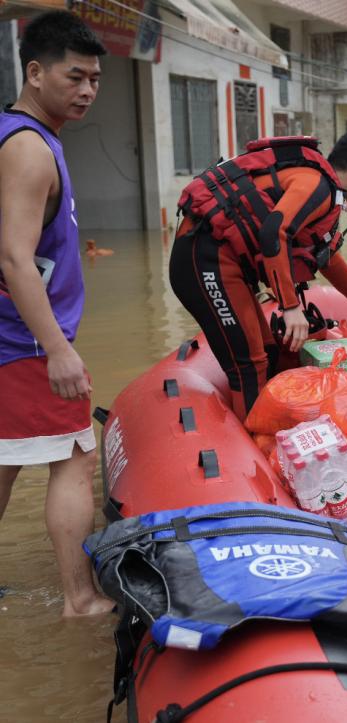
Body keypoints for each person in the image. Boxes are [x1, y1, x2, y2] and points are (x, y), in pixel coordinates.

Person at [0, 10, 113, 617]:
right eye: (75, 76)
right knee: (75, 457)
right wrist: (58, 350)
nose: (88, 90)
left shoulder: (15, 137)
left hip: (11, 337)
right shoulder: (30, 151)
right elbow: (16, 260)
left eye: (95, 79)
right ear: (36, 72)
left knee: (2, 467)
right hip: (22, 341)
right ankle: (79, 600)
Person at [169, 129, 347, 419]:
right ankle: (252, 455)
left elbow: (325, 257)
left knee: (269, 351)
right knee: (249, 365)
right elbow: (274, 231)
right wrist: (290, 307)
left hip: (222, 263)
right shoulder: (318, 186)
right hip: (204, 261)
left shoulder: (324, 193)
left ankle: (267, 426)